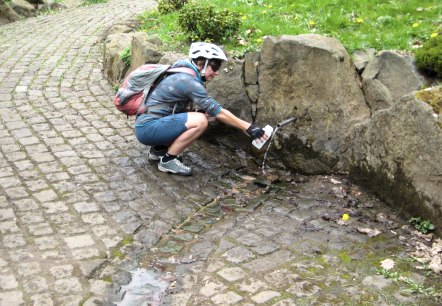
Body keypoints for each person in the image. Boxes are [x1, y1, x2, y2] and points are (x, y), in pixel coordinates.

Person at [134, 42, 268, 176]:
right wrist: (249, 128)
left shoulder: (181, 71)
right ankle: (168, 160)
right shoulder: (188, 81)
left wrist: (197, 112)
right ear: (200, 64)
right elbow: (218, 111)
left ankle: (158, 150)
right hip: (148, 129)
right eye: (214, 67)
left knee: (198, 116)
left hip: (146, 125)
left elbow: (170, 108)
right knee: (200, 121)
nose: (217, 73)